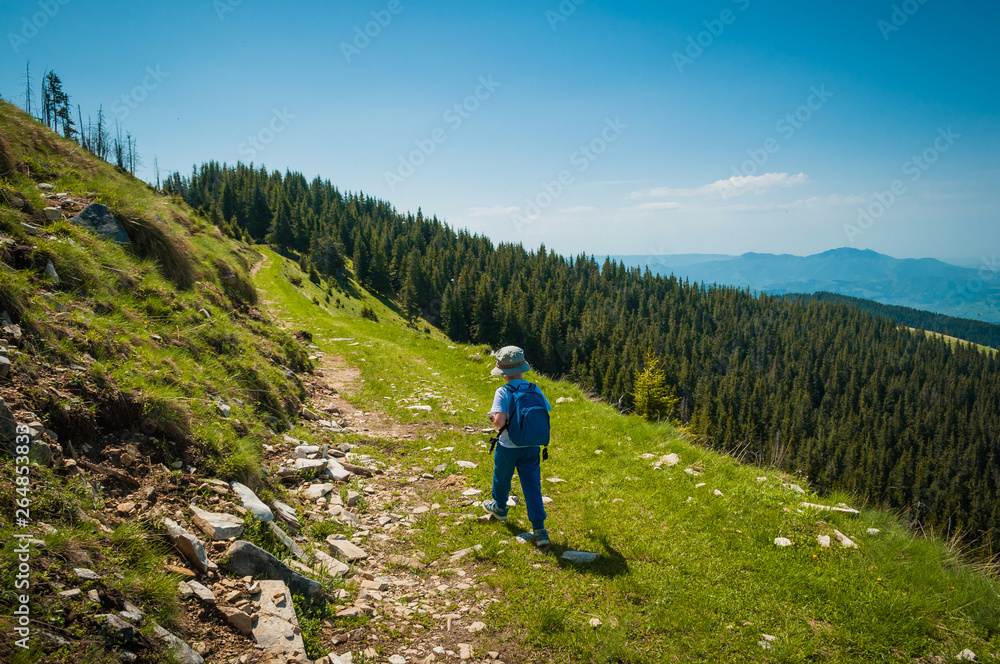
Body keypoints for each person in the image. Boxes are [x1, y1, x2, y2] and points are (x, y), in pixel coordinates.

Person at [482, 345, 552, 548]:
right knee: (532, 486)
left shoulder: (503, 391)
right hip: (532, 446)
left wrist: (492, 416)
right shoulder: (534, 388)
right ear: (522, 369)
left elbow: (500, 421)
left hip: (508, 446)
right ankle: (539, 529)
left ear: (503, 373)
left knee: (502, 477)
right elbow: (545, 410)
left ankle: (500, 508)